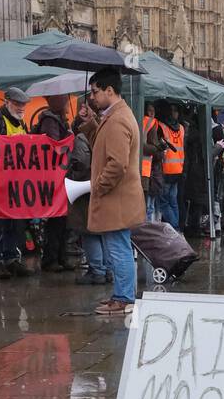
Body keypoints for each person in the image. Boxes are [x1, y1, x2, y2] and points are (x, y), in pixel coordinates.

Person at [86, 68, 145, 316]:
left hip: (116, 197)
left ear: (109, 91)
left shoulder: (118, 119)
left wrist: (99, 186)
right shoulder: (117, 116)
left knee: (118, 248)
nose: (92, 97)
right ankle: (122, 295)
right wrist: (91, 126)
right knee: (118, 247)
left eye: (95, 91)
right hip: (119, 197)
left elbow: (117, 163)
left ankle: (123, 298)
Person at [0, 87, 32, 280]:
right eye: (17, 104)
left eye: (23, 104)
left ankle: (11, 258)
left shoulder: (22, 123)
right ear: (6, 102)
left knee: (15, 223)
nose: (21, 107)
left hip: (16, 183)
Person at [31, 94, 76, 272]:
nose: (66, 106)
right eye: (64, 102)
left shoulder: (57, 120)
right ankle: (51, 259)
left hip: (60, 177)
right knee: (56, 221)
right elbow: (54, 146)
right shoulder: (50, 121)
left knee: (62, 221)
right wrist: (68, 136)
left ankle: (59, 256)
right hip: (53, 178)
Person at [67, 103, 109, 286]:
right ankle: (107, 270)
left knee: (89, 232)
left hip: (87, 191)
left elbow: (82, 165)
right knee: (103, 233)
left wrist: (72, 173)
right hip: (102, 190)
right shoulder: (106, 133)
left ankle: (97, 270)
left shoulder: (82, 139)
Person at [157, 105, 185, 230]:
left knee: (163, 203)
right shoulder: (182, 128)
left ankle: (175, 227)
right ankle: (177, 227)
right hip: (178, 169)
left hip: (166, 169)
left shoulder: (162, 126)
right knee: (173, 202)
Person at [141, 103, 164, 223]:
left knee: (148, 206)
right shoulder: (152, 124)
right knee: (148, 207)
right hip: (147, 171)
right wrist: (159, 150)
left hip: (141, 169)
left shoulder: (138, 120)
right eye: (150, 111)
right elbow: (152, 149)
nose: (152, 114)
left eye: (153, 111)